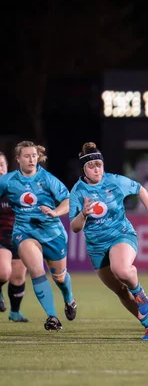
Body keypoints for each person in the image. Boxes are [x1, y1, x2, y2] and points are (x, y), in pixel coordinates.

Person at [69, 142, 148, 340]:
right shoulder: (78, 191)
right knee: (120, 291)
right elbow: (75, 227)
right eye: (91, 165)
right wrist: (84, 214)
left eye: (99, 164)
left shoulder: (114, 181)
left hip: (121, 234)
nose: (96, 169)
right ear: (84, 169)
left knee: (121, 269)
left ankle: (139, 291)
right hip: (96, 247)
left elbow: (141, 190)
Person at [0, 141, 76, 331]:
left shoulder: (48, 179)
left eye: (34, 155)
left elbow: (68, 201)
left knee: (59, 277)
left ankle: (69, 299)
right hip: (24, 232)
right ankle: (52, 317)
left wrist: (55, 212)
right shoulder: (7, 181)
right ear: (17, 159)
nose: (31, 159)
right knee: (36, 271)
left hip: (52, 233)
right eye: (27, 156)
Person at [0, 151, 28, 322]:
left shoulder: (17, 186)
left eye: (1, 165)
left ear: (7, 167)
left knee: (18, 277)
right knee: (3, 273)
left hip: (18, 236)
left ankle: (15, 312)